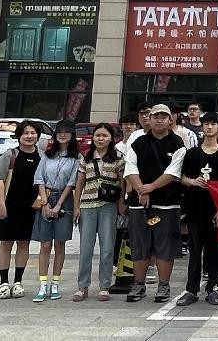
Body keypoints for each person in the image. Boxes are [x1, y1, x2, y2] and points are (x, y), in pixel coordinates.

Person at [123, 103, 186, 304]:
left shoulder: (178, 143)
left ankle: (164, 285)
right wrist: (141, 189)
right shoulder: (137, 141)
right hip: (139, 203)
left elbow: (173, 172)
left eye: (163, 117)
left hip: (168, 203)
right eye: (155, 116)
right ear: (149, 119)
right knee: (139, 245)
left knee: (165, 247)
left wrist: (150, 188)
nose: (159, 120)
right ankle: (138, 284)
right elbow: (130, 168)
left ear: (170, 120)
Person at [178, 112, 218, 307]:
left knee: (214, 250)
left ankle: (213, 288)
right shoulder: (192, 153)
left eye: (213, 124)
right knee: (195, 249)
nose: (210, 127)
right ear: (202, 127)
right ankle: (191, 289)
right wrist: (193, 182)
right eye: (206, 124)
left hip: (214, 209)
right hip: (195, 206)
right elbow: (182, 178)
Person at [72, 123, 125, 302]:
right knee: (85, 248)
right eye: (98, 135)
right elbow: (79, 183)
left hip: (108, 207)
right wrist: (76, 206)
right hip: (87, 206)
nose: (101, 139)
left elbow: (122, 183)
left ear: (111, 138)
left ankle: (104, 286)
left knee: (107, 248)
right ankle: (82, 286)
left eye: (104, 136)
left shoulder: (118, 157)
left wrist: (121, 205)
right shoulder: (86, 157)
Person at [30, 119, 80, 302]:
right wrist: (44, 202)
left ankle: (55, 284)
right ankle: (42, 285)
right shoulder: (47, 155)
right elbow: (39, 178)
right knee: (45, 244)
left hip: (65, 201)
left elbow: (72, 183)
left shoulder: (76, 158)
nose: (63, 135)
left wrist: (59, 205)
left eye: (67, 132)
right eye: (59, 131)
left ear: (72, 135)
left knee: (60, 243)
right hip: (46, 197)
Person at [0, 119, 43, 299]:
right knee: (6, 243)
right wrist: (1, 205)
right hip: (9, 206)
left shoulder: (42, 156)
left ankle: (18, 282)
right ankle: (3, 282)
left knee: (24, 243)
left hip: (31, 208)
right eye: (25, 133)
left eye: (33, 133)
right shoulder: (10, 155)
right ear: (19, 136)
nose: (29, 136)